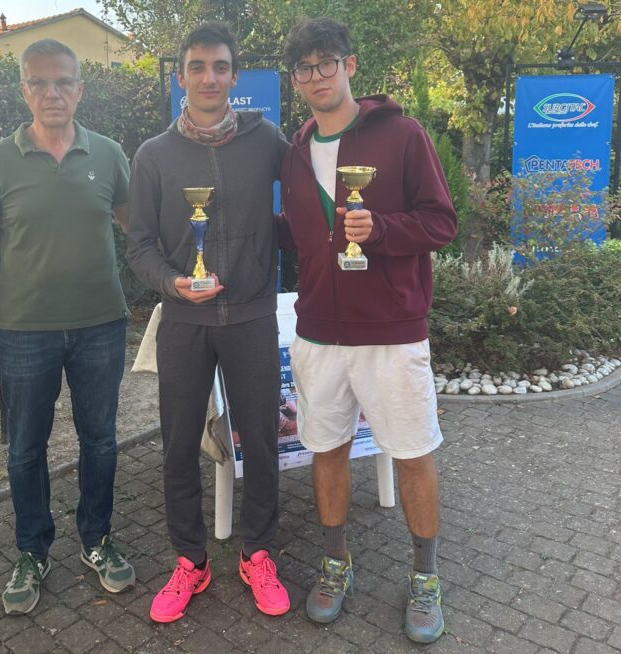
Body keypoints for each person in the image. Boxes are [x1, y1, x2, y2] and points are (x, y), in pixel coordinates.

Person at [279, 18, 457, 643]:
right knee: (324, 449)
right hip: (319, 333)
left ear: (350, 66)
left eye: (326, 63)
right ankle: (335, 563)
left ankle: (426, 575)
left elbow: (441, 222)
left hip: (390, 330)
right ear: (295, 80)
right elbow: (302, 235)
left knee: (412, 452)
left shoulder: (401, 134)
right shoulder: (296, 151)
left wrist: (379, 231)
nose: (315, 77)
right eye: (303, 68)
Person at [0, 39, 135, 616]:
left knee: (100, 441)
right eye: (40, 82)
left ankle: (96, 541)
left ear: (81, 89)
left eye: (64, 82)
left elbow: (142, 232)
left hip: (101, 327)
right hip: (23, 332)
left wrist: (201, 261)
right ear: (24, 91)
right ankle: (32, 550)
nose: (53, 92)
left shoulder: (109, 155)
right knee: (25, 450)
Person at [126, 22, 290, 623]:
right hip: (184, 322)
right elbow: (139, 245)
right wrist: (173, 283)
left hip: (249, 316)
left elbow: (311, 187)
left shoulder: (266, 139)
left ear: (234, 77)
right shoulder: (153, 156)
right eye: (197, 67)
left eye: (220, 67)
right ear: (180, 77)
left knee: (262, 441)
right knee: (176, 445)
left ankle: (258, 553)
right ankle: (189, 561)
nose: (209, 77)